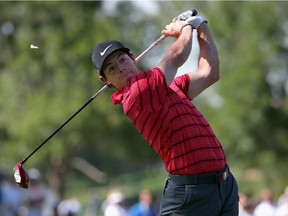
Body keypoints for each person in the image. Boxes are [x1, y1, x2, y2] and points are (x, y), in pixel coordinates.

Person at [92, 10, 239, 216]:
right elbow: (175, 57)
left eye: (122, 60)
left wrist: (201, 26)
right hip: (190, 195)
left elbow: (210, 72)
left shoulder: (169, 88)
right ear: (105, 80)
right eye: (111, 69)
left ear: (132, 58)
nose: (121, 69)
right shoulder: (136, 95)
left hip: (224, 185)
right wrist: (185, 28)